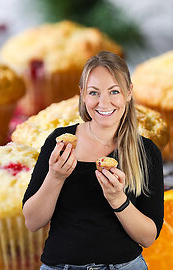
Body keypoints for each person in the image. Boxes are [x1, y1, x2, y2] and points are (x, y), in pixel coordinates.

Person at [22, 51, 164, 270]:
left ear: (128, 92)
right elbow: (32, 222)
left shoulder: (146, 151)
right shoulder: (59, 142)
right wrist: (55, 176)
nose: (103, 102)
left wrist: (118, 199)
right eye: (94, 92)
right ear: (82, 94)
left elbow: (148, 237)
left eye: (114, 91)